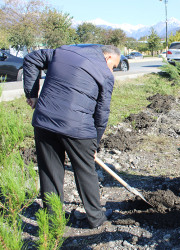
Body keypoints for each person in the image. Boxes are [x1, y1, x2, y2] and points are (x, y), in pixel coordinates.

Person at [23, 44, 121, 229]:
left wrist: (32, 94)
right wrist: (94, 145)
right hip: (78, 128)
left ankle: (52, 219)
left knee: (49, 171)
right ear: (107, 58)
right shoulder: (106, 74)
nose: (112, 70)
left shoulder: (62, 52)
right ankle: (95, 218)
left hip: (45, 121)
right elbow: (102, 113)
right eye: (114, 66)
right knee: (85, 171)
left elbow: (31, 58)